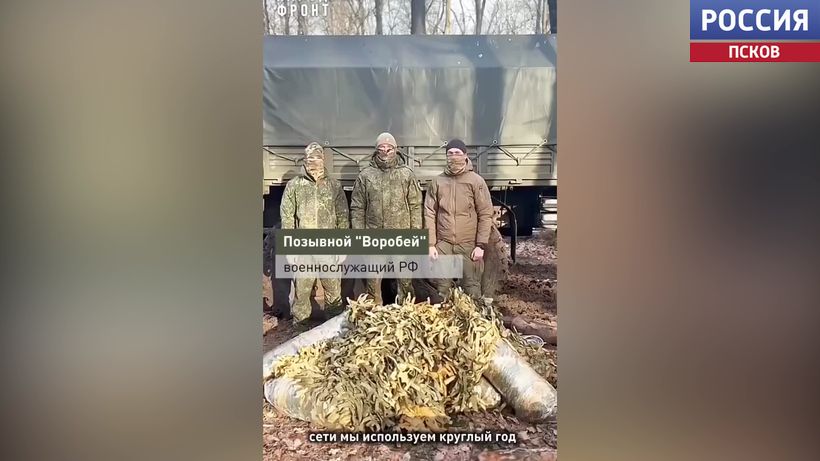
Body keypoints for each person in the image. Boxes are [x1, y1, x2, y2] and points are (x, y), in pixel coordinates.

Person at [280, 142, 349, 326]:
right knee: (302, 294)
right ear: (305, 159)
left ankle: (334, 330)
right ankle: (300, 330)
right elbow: (287, 218)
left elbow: (343, 216)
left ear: (323, 159)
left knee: (333, 293)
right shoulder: (294, 186)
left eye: (318, 157)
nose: (314, 161)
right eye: (311, 158)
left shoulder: (334, 186)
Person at [350, 132, 423, 304]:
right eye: (381, 148)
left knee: (405, 281)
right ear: (376, 150)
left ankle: (407, 313)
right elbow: (358, 208)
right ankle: (374, 314)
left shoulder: (406, 174)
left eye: (389, 148)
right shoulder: (366, 175)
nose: (385, 151)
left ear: (396, 150)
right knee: (373, 282)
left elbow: (415, 206)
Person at [424, 139, 494, 300]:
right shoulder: (437, 182)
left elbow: (485, 214)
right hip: (444, 245)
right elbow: (429, 213)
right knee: (442, 291)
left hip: (469, 245)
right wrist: (431, 244)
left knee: (472, 290)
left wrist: (480, 245)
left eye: (457, 153)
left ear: (465, 155)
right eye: (450, 153)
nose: (454, 156)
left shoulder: (476, 181)